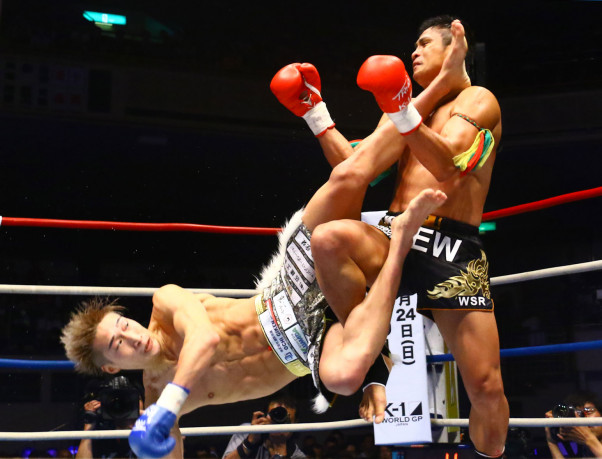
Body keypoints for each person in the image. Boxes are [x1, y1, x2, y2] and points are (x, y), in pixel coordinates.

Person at [61, 114, 450, 459]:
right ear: (111, 366)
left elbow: (204, 340)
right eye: (117, 344)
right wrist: (152, 439)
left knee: (347, 176)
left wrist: (169, 406)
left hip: (286, 290)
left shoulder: (165, 305)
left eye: (124, 326)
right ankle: (398, 251)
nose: (132, 337)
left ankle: (403, 103)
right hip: (309, 346)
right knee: (343, 378)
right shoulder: (157, 401)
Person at [272, 16, 508, 458]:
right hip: (394, 234)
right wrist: (315, 114)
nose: (414, 52)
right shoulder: (407, 107)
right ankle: (372, 361)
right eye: (412, 45)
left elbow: (449, 166)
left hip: (449, 248)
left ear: (455, 46)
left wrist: (401, 111)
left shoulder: (479, 100)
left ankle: (489, 455)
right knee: (329, 239)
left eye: (424, 43)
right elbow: (356, 166)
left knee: (485, 387)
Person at [75, 375, 144, 459]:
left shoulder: (148, 429)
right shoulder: (100, 433)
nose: (124, 405)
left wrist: (148, 417)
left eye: (134, 399)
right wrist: (88, 427)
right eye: (119, 401)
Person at [222, 391, 306, 459]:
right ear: (265, 416)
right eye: (275, 415)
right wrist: (249, 442)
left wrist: (281, 452)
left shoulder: (297, 456)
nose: (279, 422)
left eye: (285, 419)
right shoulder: (246, 431)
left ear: (295, 423)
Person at [545, 391, 602, 458]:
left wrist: (588, 438)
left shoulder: (589, 442)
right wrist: (551, 441)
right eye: (579, 415)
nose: (584, 418)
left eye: (588, 411)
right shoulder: (583, 449)